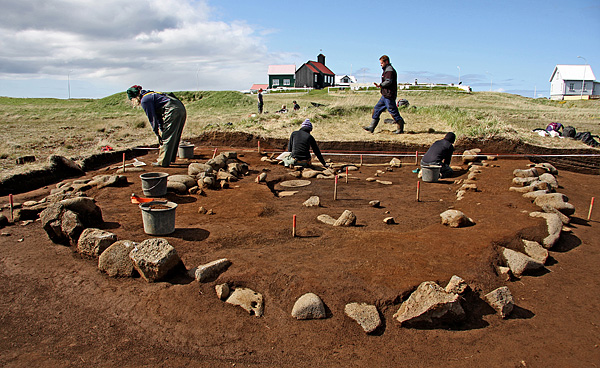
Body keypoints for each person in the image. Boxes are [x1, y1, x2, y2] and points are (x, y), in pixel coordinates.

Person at [127, 85, 187, 167]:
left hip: (172, 110)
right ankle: (170, 159)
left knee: (167, 137)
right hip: (180, 107)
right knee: (174, 135)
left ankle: (163, 162)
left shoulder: (145, 100)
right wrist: (161, 130)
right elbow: (158, 117)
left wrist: (157, 133)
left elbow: (152, 118)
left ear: (135, 97)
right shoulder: (151, 95)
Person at [364, 55, 406, 134]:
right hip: (385, 95)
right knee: (377, 109)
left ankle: (400, 128)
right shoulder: (386, 70)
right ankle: (371, 127)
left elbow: (389, 81)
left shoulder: (389, 71)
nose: (380, 65)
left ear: (386, 62)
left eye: (381, 63)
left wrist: (381, 85)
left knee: (393, 111)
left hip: (389, 95)